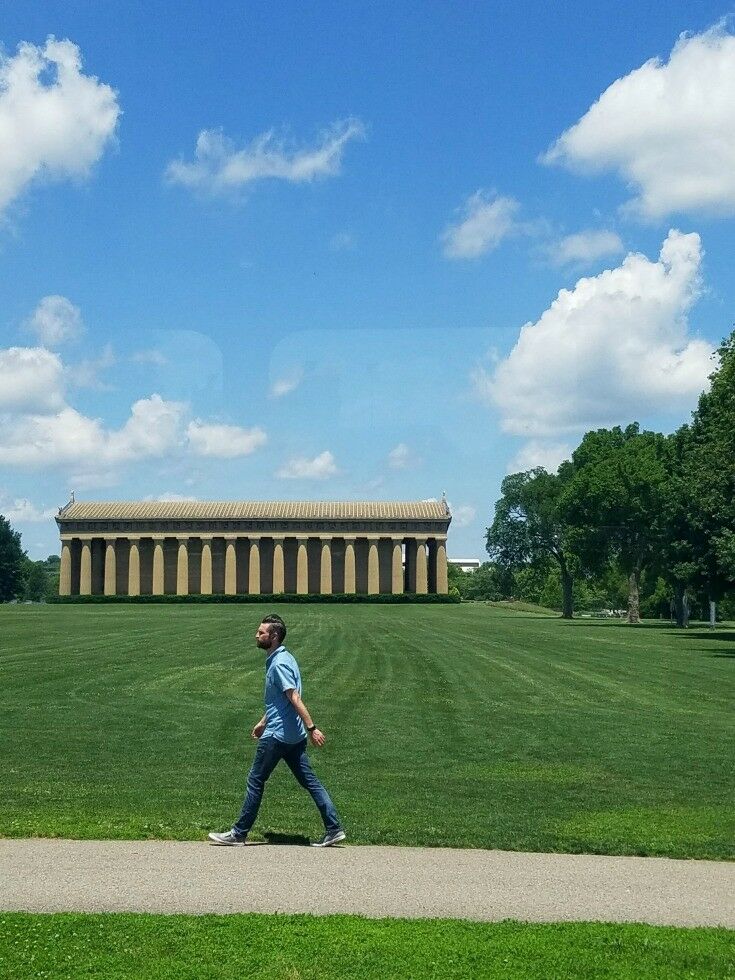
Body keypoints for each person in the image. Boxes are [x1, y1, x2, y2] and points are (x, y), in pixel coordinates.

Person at [209, 613, 346, 847]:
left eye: (261, 632)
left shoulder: (279, 663)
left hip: (278, 736)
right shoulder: (285, 658)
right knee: (311, 782)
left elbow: (293, 697)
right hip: (293, 737)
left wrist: (312, 727)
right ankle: (334, 829)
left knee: (255, 780)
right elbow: (280, 699)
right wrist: (264, 720)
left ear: (273, 636)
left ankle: (238, 833)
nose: (256, 635)